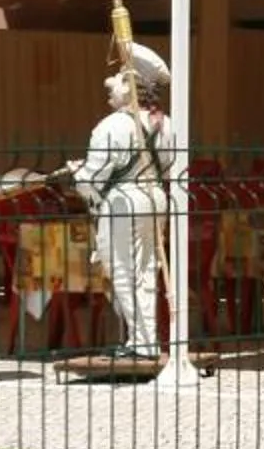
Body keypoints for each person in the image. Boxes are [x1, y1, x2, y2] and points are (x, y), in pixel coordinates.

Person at [60, 52, 179, 359]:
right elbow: (167, 167)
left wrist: (77, 174)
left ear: (129, 85)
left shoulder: (110, 125)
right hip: (155, 198)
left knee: (124, 272)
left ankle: (143, 343)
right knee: (148, 271)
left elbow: (91, 180)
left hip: (123, 204)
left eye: (117, 77)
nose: (108, 84)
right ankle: (146, 340)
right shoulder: (165, 123)